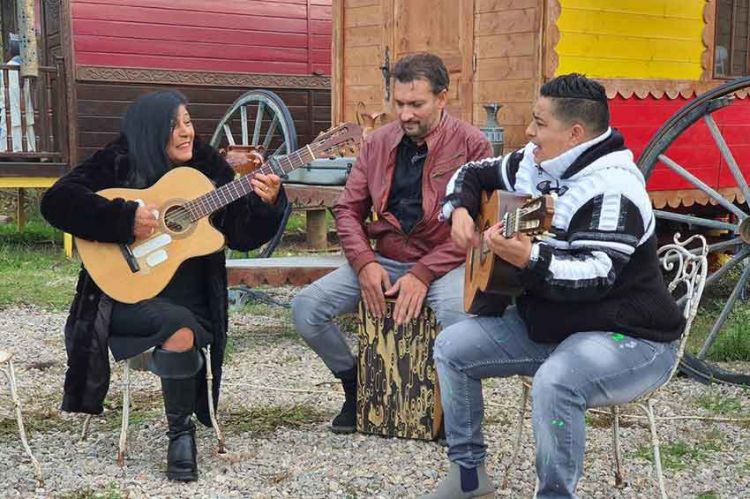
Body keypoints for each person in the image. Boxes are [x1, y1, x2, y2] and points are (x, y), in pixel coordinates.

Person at [425, 74, 685, 498]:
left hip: (631, 337)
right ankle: (468, 477)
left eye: (539, 123)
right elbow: (472, 172)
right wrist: (459, 209)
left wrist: (529, 258)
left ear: (575, 133)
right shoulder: (535, 161)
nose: (529, 132)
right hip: (556, 325)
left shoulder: (613, 188)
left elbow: (595, 277)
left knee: (556, 380)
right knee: (452, 347)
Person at [41, 90, 287, 482]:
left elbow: (242, 234)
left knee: (182, 325)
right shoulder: (119, 158)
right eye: (175, 125)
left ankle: (181, 431)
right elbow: (56, 202)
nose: (186, 132)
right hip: (123, 297)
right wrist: (123, 218)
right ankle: (181, 435)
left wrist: (269, 203)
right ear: (152, 130)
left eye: (188, 122)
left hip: (194, 301)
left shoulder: (207, 168)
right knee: (177, 327)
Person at [292, 52, 492, 434]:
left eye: (416, 104)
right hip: (384, 259)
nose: (405, 114)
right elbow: (348, 210)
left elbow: (482, 226)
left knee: (458, 319)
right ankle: (356, 388)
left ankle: (457, 413)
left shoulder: (473, 144)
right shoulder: (377, 142)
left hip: (445, 263)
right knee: (307, 308)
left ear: (442, 98)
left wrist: (424, 272)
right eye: (399, 104)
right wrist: (365, 263)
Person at [0, 33, 35, 152]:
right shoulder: (26, 67)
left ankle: (12, 148)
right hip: (21, 103)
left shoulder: (7, 68)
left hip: (10, 104)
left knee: (12, 121)